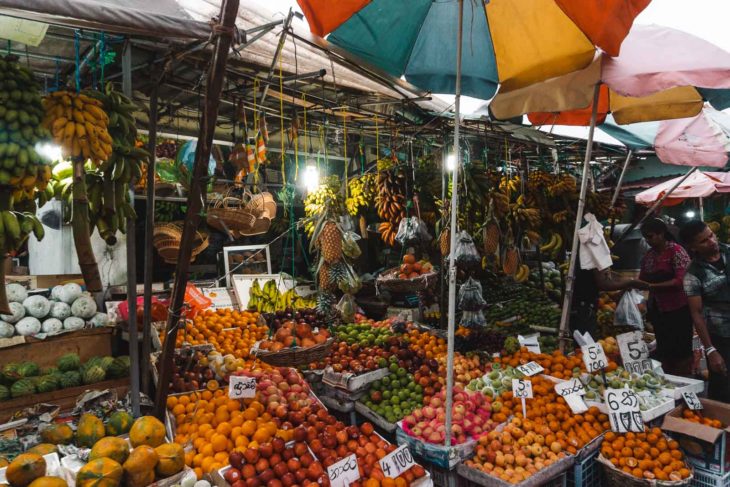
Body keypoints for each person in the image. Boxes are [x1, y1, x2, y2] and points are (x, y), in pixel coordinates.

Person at [681, 220, 730, 401]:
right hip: (721, 337)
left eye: (711, 235)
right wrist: (710, 350)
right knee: (723, 389)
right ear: (693, 247)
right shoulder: (692, 275)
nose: (712, 241)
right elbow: (696, 313)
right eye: (704, 241)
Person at [639, 218, 693, 375]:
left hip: (679, 309)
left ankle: (684, 378)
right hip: (658, 309)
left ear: (661, 233)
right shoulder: (649, 256)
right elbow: (642, 278)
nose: (648, 241)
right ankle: (668, 378)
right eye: (645, 237)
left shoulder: (677, 251)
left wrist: (652, 287)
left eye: (650, 236)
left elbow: (681, 280)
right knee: (664, 346)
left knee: (681, 348)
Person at [570, 256, 648, 338]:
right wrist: (631, 283)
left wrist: (625, 287)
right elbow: (604, 284)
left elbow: (614, 295)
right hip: (585, 308)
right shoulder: (593, 257)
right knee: (585, 341)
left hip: (586, 307)